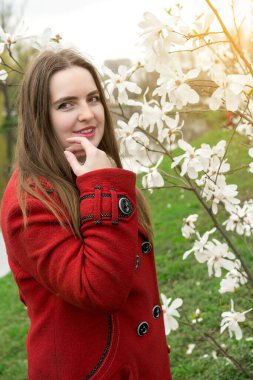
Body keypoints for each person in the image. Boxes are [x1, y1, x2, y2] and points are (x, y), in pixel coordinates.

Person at [0, 48, 172, 380]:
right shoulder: (29, 200)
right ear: (40, 115)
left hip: (137, 363)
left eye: (93, 99)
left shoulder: (87, 166)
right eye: (67, 104)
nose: (88, 114)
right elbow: (99, 289)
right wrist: (101, 184)